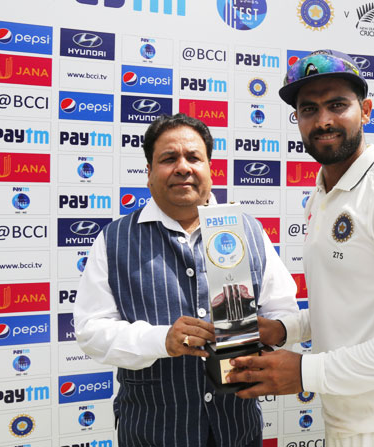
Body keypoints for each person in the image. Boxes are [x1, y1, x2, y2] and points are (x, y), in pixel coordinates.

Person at [226, 49, 374, 446]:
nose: (324, 120)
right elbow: (354, 304)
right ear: (296, 119)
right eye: (309, 109)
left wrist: (305, 373)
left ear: (366, 110)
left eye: (337, 105)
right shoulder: (321, 195)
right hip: (345, 419)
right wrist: (285, 329)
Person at [74, 113, 299, 447]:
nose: (183, 167)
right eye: (168, 159)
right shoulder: (115, 239)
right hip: (152, 434)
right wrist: (161, 339)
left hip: (237, 432)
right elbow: (91, 331)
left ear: (210, 169)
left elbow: (285, 314)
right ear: (148, 174)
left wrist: (267, 333)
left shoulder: (247, 231)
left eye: (194, 157)